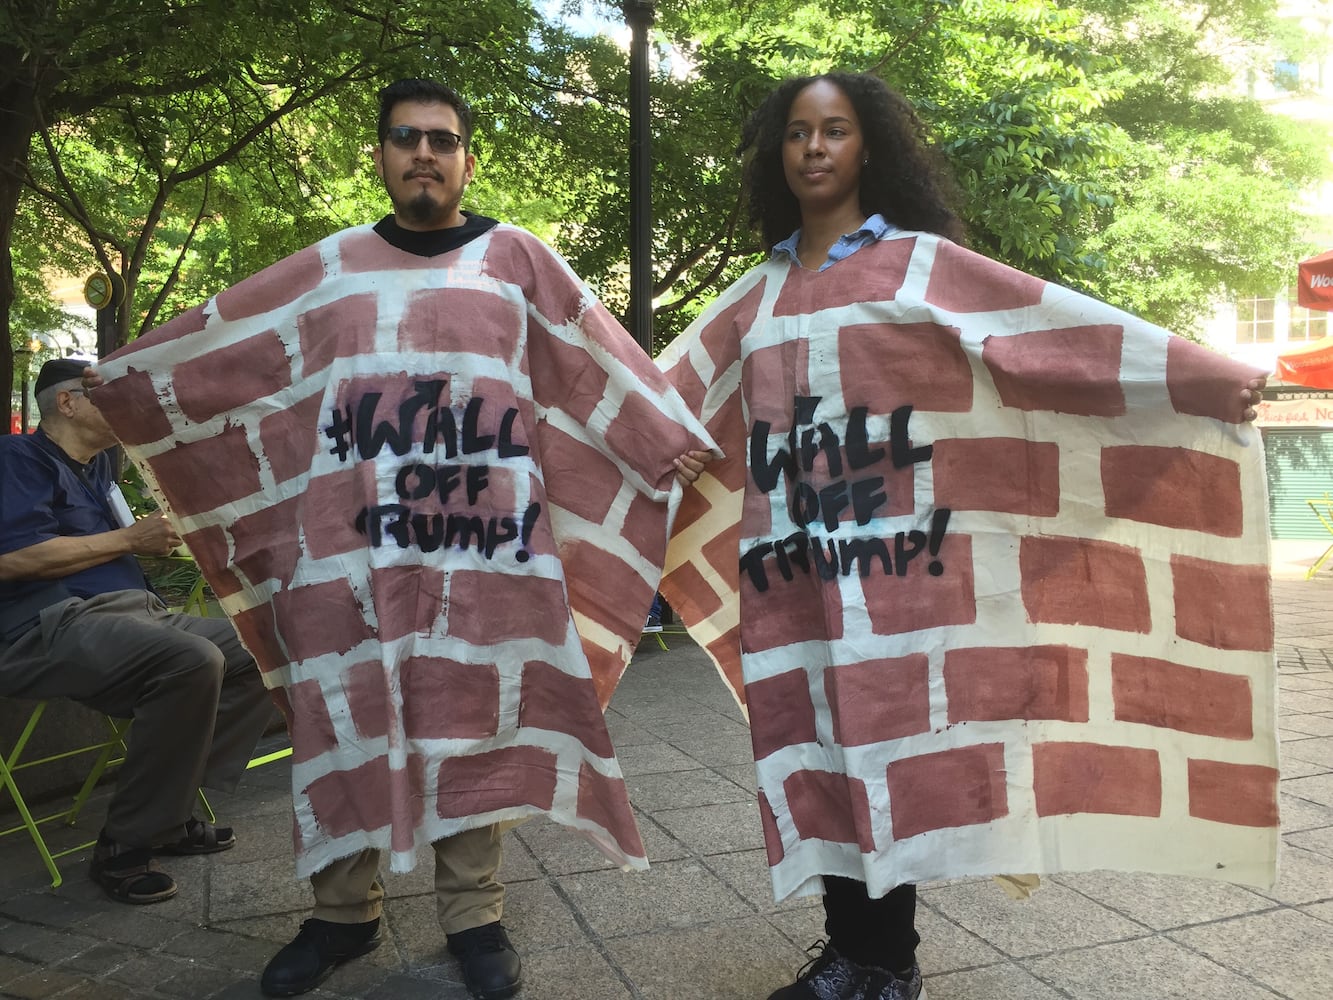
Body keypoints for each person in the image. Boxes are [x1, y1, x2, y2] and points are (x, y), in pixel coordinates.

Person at [84, 78, 713, 1000]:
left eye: (443, 139)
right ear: (379, 155)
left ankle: (475, 917)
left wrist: (671, 444)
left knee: (474, 719)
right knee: (342, 721)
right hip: (349, 555)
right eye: (406, 138)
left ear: (467, 159)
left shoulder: (517, 260)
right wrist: (128, 385)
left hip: (486, 547)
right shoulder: (330, 267)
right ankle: (341, 916)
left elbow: (594, 361)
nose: (425, 153)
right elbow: (233, 349)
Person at [655, 72, 1270, 1000]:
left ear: (870, 150)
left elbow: (1051, 335)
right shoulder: (757, 295)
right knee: (819, 755)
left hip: (900, 581)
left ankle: (886, 965)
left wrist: (1197, 377)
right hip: (790, 581)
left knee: (886, 756)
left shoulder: (916, 265)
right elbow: (665, 408)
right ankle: (844, 953)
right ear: (774, 154)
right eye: (796, 133)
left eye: (836, 130)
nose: (815, 148)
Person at [0, 358, 271, 905]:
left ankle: (165, 812)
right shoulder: (16, 458)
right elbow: (11, 559)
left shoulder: (98, 469)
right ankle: (126, 844)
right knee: (192, 660)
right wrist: (128, 541)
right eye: (100, 393)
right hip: (48, 623)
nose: (118, 402)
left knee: (264, 645)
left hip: (135, 614)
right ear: (67, 403)